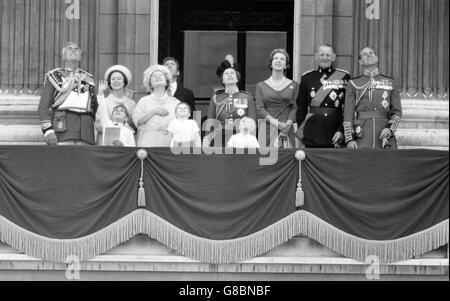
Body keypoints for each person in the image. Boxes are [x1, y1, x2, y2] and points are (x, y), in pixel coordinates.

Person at [38, 42, 97, 145]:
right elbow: (44, 107)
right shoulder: (54, 76)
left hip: (86, 129)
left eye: (76, 49)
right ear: (64, 55)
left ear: (80, 56)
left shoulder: (89, 78)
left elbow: (94, 107)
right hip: (63, 126)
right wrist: (48, 131)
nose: (74, 50)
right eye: (70, 48)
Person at [344, 46, 402, 149]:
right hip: (361, 135)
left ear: (377, 58)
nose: (369, 55)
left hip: (384, 134)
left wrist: (390, 129)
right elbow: (348, 114)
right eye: (365, 54)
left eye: (371, 53)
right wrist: (350, 138)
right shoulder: (353, 83)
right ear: (360, 62)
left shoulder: (390, 82)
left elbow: (397, 112)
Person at [296, 45, 351, 148]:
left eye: (328, 55)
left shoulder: (344, 77)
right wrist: (302, 131)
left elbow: (348, 109)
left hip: (335, 132)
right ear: (316, 56)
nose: (325, 57)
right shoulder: (307, 78)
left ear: (333, 57)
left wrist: (342, 131)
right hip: (312, 132)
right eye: (322, 54)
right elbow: (301, 108)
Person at [203, 66, 257, 147]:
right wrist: (206, 140)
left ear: (237, 79)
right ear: (223, 80)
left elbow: (252, 121)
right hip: (220, 138)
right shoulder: (216, 98)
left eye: (232, 73)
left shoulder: (247, 97)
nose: (229, 75)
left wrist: (250, 139)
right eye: (226, 74)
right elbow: (210, 121)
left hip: (241, 137)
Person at [255, 49, 299, 148]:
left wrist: (287, 126)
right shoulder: (261, 86)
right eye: (276, 58)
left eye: (282, 59)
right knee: (266, 160)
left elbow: (295, 107)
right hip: (267, 127)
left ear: (285, 65)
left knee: (288, 159)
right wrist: (277, 124)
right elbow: (260, 109)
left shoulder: (294, 85)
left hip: (287, 128)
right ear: (271, 64)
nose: (278, 61)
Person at [132, 65, 180, 147]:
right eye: (154, 76)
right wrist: (154, 111)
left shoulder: (175, 103)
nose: (158, 76)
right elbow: (137, 121)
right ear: (150, 84)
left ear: (166, 82)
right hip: (148, 145)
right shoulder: (144, 101)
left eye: (161, 75)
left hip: (169, 147)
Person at [96, 65, 136, 145]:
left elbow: (134, 125)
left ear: (124, 82)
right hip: (106, 142)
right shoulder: (104, 101)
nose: (116, 81)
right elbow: (98, 124)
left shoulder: (131, 103)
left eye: (119, 78)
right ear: (109, 83)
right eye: (113, 79)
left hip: (125, 141)